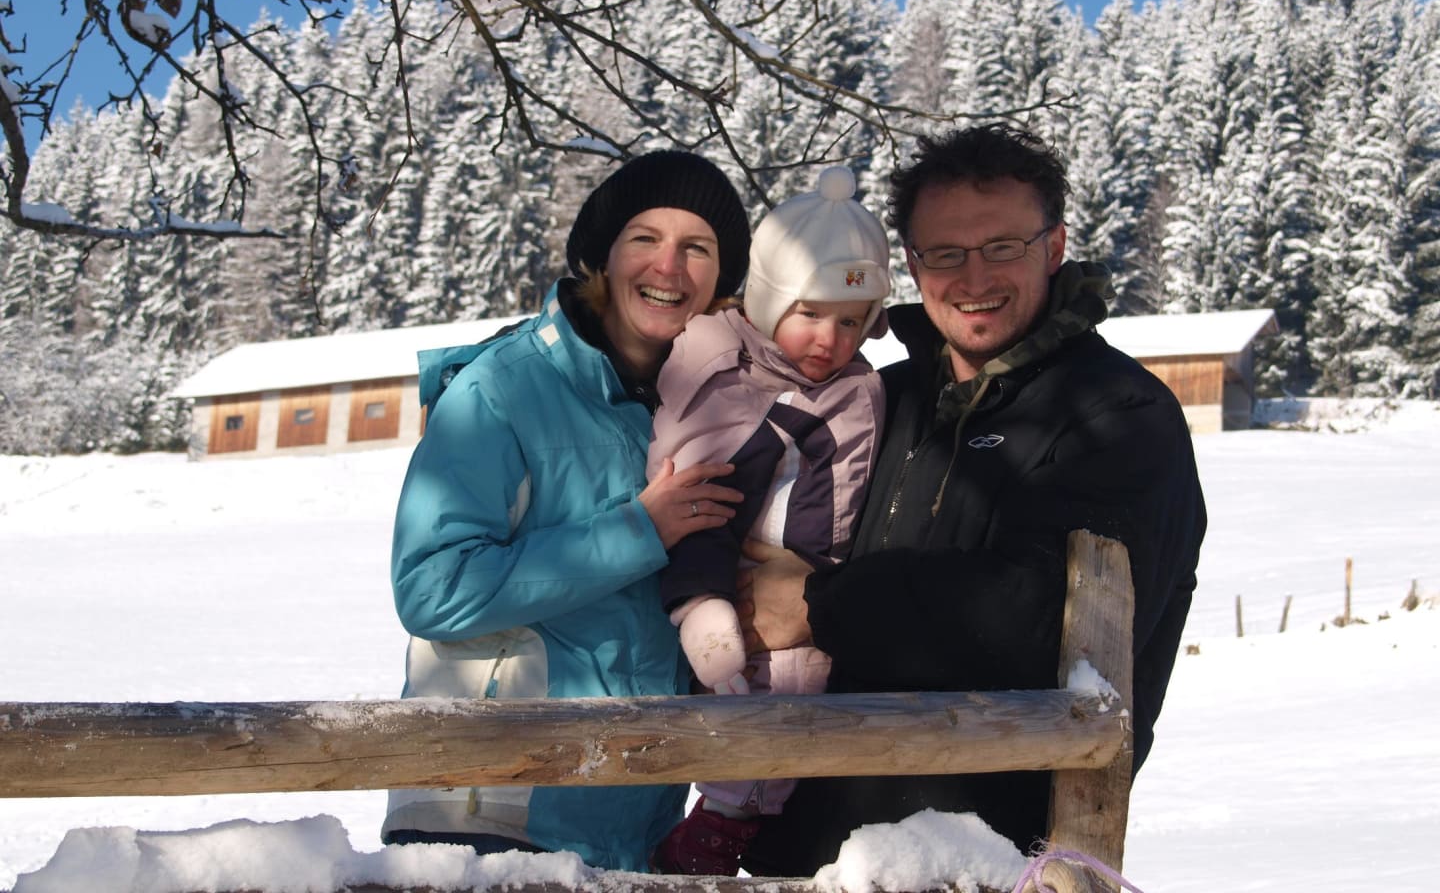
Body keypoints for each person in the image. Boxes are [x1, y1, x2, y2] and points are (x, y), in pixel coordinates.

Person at [735, 123, 1208, 876]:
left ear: (1054, 247)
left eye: (1002, 247)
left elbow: (1039, 623)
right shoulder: (879, 401)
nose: (973, 277)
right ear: (913, 266)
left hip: (995, 864)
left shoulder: (1117, 416)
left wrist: (817, 604)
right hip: (812, 852)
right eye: (946, 254)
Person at [382, 151, 751, 872]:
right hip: (487, 814)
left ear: (721, 280)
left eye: (697, 248)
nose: (669, 267)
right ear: (602, 258)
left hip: (630, 824)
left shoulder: (707, 408)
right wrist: (639, 530)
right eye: (645, 238)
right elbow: (431, 588)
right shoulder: (503, 389)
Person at [644, 166, 890, 875]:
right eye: (811, 313)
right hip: (743, 593)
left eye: (852, 321)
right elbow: (701, 490)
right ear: (769, 299)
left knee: (782, 702)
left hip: (807, 596)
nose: (830, 339)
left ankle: (730, 824)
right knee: (770, 705)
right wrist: (698, 600)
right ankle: (719, 829)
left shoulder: (853, 387)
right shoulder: (729, 373)